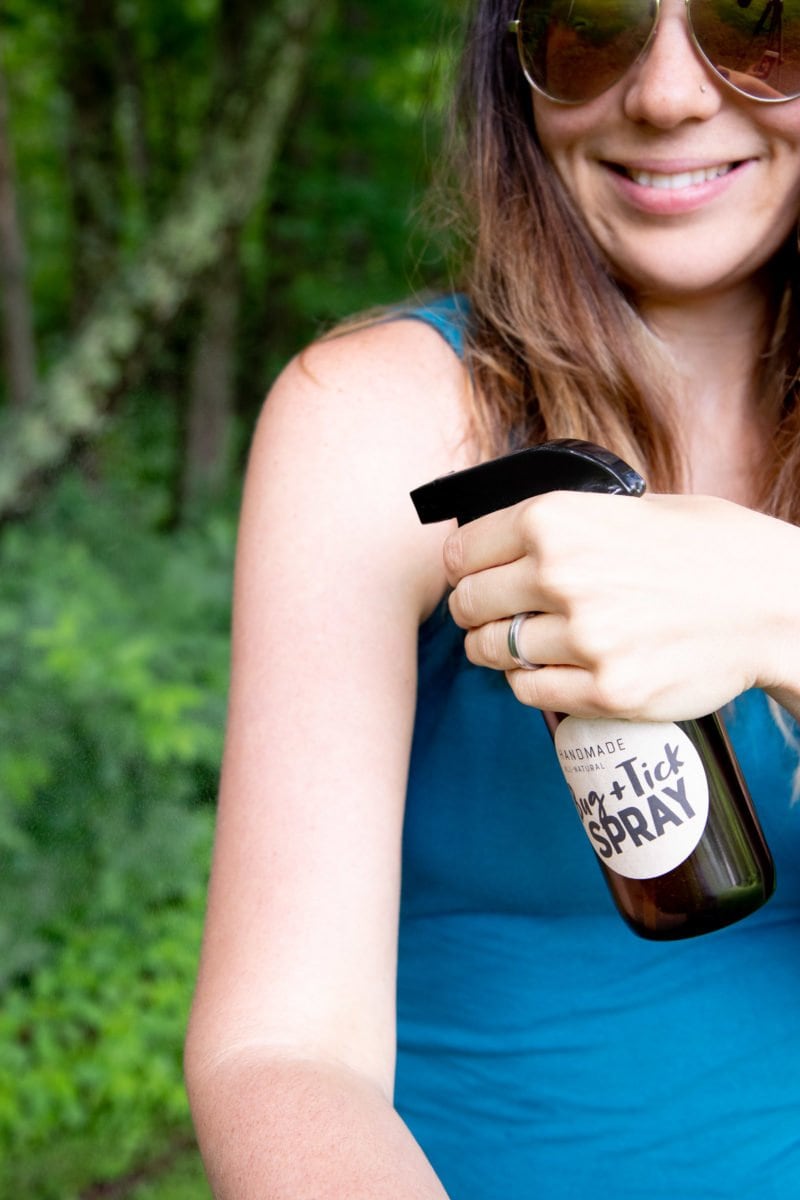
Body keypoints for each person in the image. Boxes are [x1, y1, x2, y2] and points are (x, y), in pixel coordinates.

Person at [184, 0, 800, 1195]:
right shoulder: (379, 420)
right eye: (592, 27)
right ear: (511, 68)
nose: (667, 95)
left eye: (755, 24)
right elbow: (283, 1050)